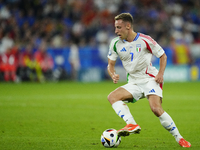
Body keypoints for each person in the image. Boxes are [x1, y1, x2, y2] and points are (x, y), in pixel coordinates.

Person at [107, 13, 191, 148]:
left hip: (150, 79)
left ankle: (179, 138)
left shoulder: (145, 40)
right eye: (115, 28)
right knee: (112, 97)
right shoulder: (115, 43)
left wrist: (161, 74)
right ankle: (131, 124)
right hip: (133, 82)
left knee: (156, 109)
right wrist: (113, 74)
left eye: (118, 27)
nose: (116, 31)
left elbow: (163, 55)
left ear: (128, 26)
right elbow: (110, 64)